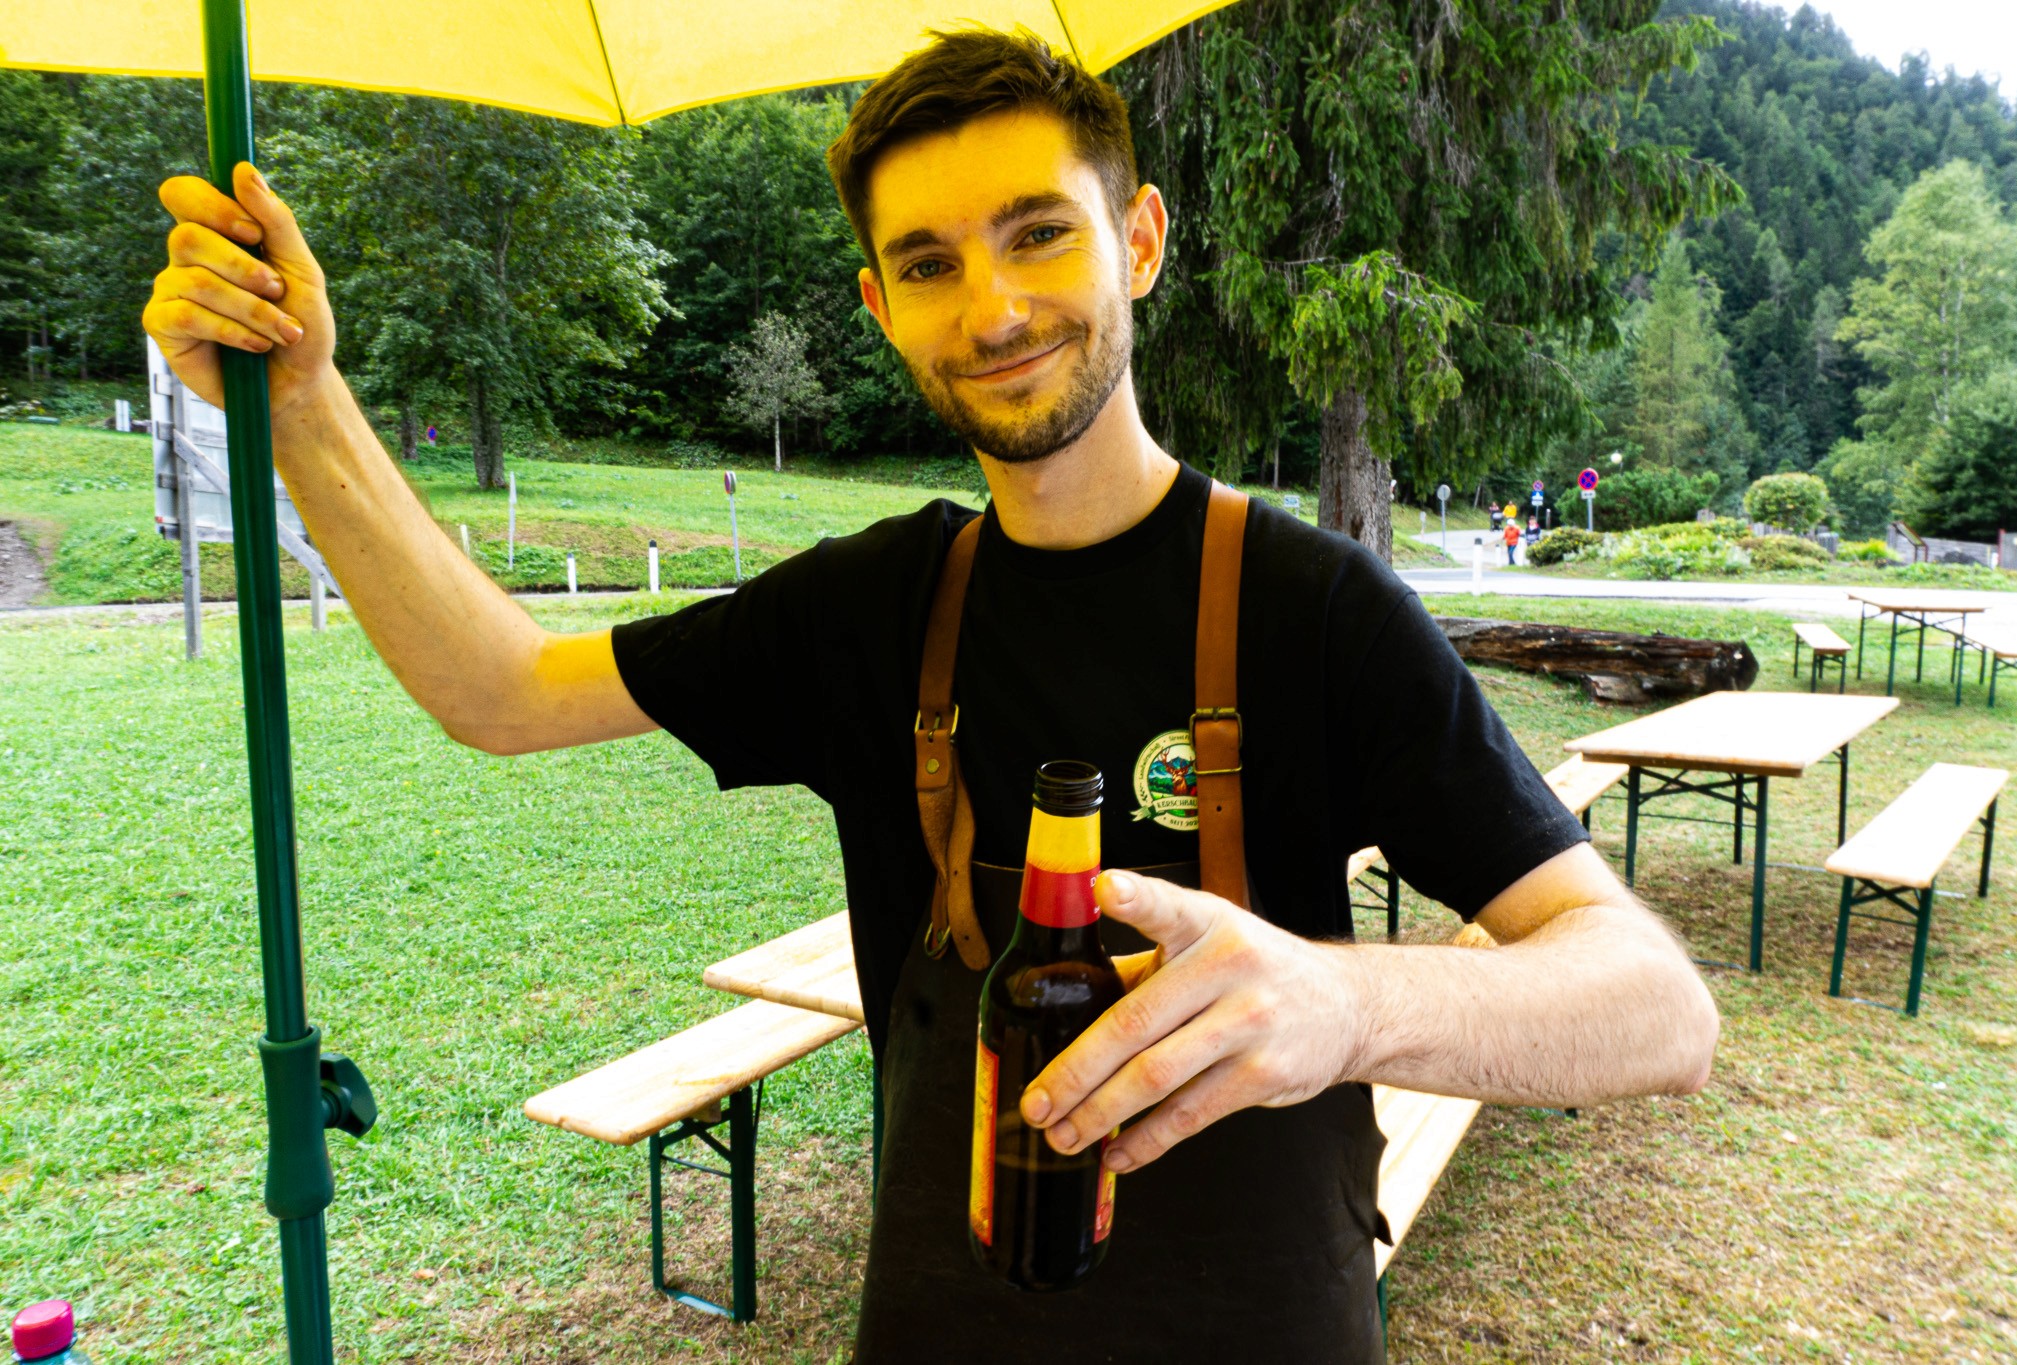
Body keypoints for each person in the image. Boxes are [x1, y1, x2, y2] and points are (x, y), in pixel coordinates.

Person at [142, 30, 1717, 1363]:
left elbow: (1656, 1009)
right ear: (879, 305)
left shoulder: (1320, 611)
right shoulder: (873, 608)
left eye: (1039, 233)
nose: (994, 306)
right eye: (929, 263)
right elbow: (499, 689)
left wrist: (1342, 1004)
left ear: (1140, 241)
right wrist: (307, 397)